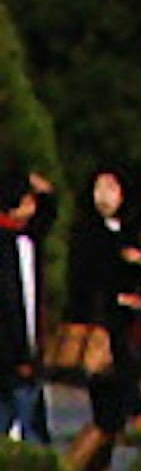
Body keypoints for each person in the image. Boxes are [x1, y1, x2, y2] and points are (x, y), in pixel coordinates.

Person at [60, 171, 141, 471]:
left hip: (125, 331)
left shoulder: (126, 232)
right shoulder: (89, 233)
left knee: (111, 423)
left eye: (112, 187)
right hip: (105, 334)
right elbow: (89, 281)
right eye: (100, 187)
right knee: (107, 417)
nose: (106, 195)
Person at [2, 167, 55, 450]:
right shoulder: (6, 246)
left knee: (32, 426)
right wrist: (21, 353)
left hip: (28, 353)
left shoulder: (30, 239)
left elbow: (49, 214)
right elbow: (10, 306)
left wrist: (45, 191)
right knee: (26, 429)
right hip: (10, 354)